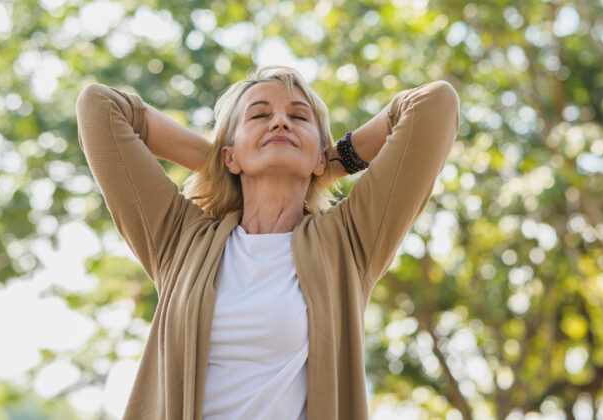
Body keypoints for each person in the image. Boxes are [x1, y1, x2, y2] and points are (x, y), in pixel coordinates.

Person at [75, 65, 459, 420]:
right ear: (230, 154)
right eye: (259, 115)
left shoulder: (349, 241)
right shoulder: (180, 239)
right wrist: (220, 163)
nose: (279, 121)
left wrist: (331, 161)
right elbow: (100, 107)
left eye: (298, 117)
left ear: (319, 157)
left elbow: (433, 105)